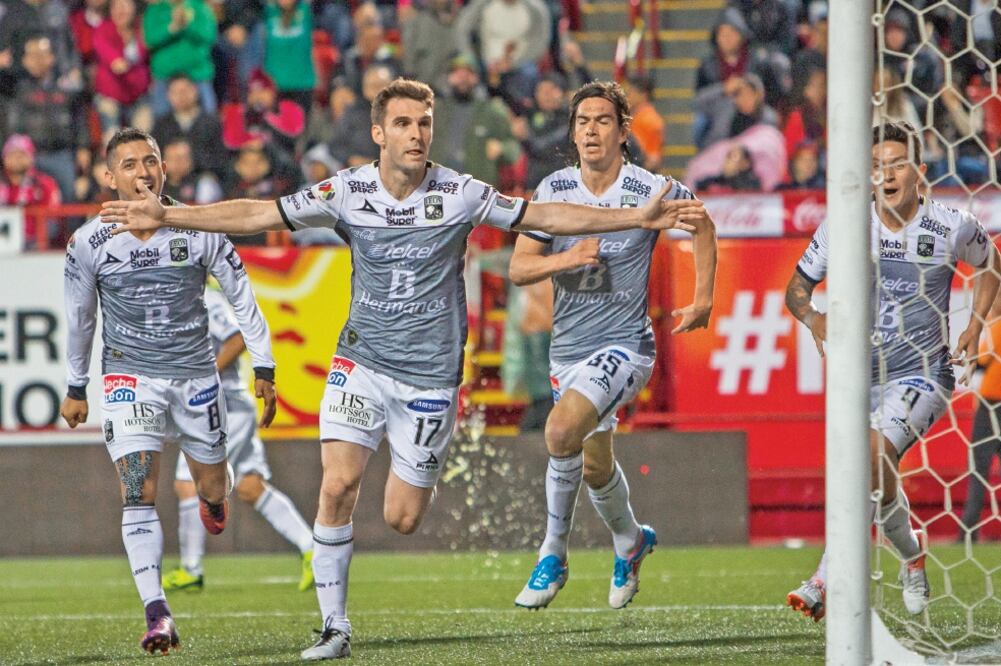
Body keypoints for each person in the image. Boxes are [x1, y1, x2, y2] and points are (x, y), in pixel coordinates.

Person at [99, 78, 706, 661]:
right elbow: (259, 214)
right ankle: (334, 625)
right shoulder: (346, 192)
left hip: (429, 379)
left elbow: (547, 218)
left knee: (402, 517)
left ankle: (613, 537)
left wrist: (637, 218)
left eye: (425, 124)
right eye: (403, 124)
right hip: (360, 360)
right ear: (378, 134)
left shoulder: (460, 194)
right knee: (336, 484)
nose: (416, 134)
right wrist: (170, 216)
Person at [61, 127, 277, 655]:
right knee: (138, 490)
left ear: (164, 169)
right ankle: (158, 613)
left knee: (210, 486)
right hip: (129, 378)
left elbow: (242, 296)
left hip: (197, 378)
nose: (143, 172)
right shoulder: (89, 242)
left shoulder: (198, 230)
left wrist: (264, 365)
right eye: (130, 164)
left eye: (150, 162)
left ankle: (214, 498)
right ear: (110, 177)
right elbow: (80, 318)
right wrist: (75, 384)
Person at [509, 81, 717, 610]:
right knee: (594, 462)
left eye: (603, 120)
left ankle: (552, 554)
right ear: (573, 133)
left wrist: (703, 299)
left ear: (624, 132)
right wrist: (567, 259)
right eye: (583, 122)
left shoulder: (651, 189)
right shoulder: (553, 189)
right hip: (568, 353)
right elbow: (518, 268)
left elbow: (703, 223)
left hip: (625, 347)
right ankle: (630, 540)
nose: (592, 130)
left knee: (558, 431)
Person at [784, 121, 1000, 621]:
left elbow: (991, 266)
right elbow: (797, 288)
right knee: (874, 476)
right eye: (877, 165)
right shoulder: (845, 224)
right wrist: (815, 318)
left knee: (873, 453)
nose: (886, 174)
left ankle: (826, 576)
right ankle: (912, 553)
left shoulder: (951, 224)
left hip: (923, 374)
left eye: (896, 164)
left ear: (919, 172)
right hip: (858, 377)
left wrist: (975, 326)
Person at [163, 285, 313, 592]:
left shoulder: (205, 298)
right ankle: (314, 549)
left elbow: (237, 337)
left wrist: (206, 375)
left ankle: (191, 569)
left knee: (188, 482)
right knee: (249, 487)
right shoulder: (183, 298)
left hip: (224, 406)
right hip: (229, 406)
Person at [959, 299, 1001, 542]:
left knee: (978, 469)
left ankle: (968, 532)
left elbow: (981, 361)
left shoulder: (996, 327)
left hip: (991, 405)